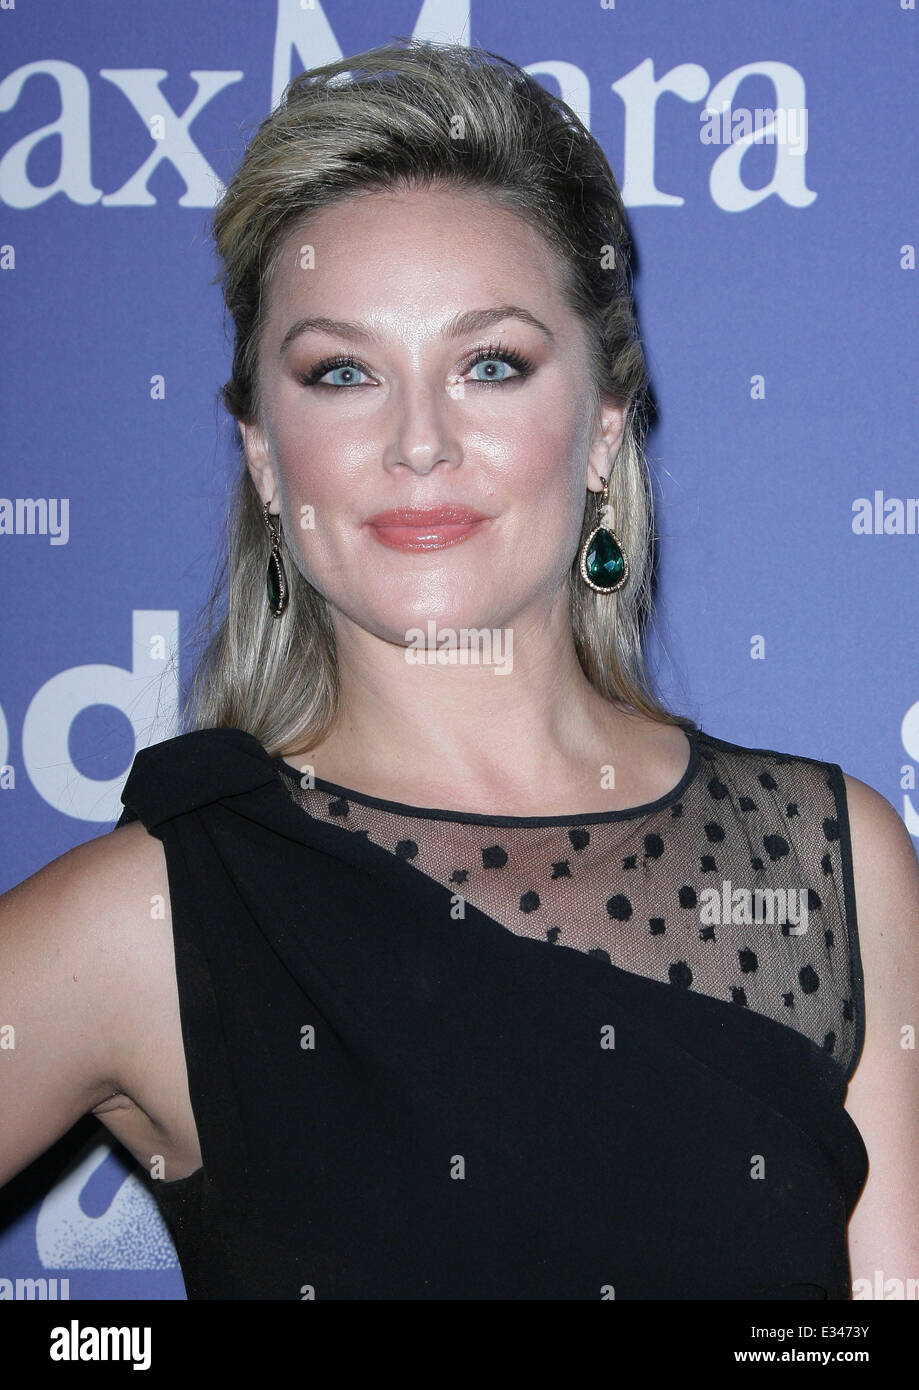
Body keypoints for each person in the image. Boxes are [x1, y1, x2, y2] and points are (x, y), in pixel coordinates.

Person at [2, 37, 917, 1301]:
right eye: (341, 373)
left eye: (489, 363)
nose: (418, 442)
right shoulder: (153, 915)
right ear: (265, 456)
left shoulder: (826, 858)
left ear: (602, 429)